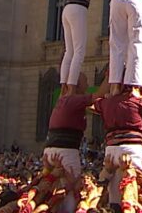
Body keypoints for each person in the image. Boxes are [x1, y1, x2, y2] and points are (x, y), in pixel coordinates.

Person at [92, 85, 142, 207]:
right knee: (138, 196)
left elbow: (92, 104)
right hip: (132, 149)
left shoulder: (109, 102)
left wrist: (106, 172)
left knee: (116, 200)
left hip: (113, 150)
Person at [61, 0, 108, 92]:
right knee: (79, 50)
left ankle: (64, 84)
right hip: (78, 8)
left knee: (69, 51)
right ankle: (72, 86)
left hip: (67, 7)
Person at [43, 74, 93, 207]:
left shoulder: (63, 99)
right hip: (66, 151)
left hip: (50, 150)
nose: (88, 85)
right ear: (77, 85)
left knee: (51, 188)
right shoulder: (74, 100)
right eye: (85, 82)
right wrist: (111, 77)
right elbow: (98, 95)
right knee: (70, 191)